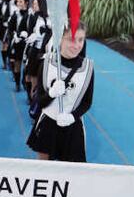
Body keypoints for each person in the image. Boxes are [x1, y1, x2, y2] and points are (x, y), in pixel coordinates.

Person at [26, 22, 94, 162]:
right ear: (60, 39)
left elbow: (87, 102)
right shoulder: (46, 63)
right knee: (45, 171)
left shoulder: (88, 67)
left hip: (72, 126)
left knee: (72, 174)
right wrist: (51, 94)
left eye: (81, 40)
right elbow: (40, 101)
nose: (76, 45)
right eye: (71, 39)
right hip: (48, 124)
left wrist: (72, 116)